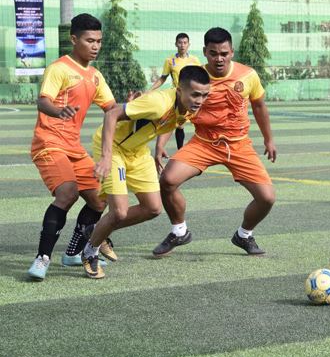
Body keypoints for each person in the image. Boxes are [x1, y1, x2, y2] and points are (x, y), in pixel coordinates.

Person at [152, 27, 276, 257]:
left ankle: (244, 235)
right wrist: (160, 145)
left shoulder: (248, 75)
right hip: (203, 143)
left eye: (224, 53)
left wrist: (269, 139)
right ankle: (179, 231)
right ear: (205, 52)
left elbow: (259, 106)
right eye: (213, 53)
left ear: (231, 52)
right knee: (167, 180)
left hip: (239, 145)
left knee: (267, 198)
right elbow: (175, 110)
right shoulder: (194, 76)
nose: (219, 58)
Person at [80, 65, 210, 278]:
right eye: (195, 94)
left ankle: (98, 230)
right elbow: (111, 114)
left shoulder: (189, 108)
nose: (200, 100)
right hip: (114, 147)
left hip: (138, 151)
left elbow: (173, 123)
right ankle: (90, 251)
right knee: (119, 212)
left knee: (153, 208)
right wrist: (104, 157)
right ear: (179, 90)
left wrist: (159, 148)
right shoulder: (158, 103)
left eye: (205, 95)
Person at [28, 13, 118, 280]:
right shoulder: (60, 68)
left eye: (99, 41)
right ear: (74, 39)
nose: (96, 46)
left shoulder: (95, 76)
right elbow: (43, 101)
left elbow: (111, 107)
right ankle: (42, 258)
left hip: (73, 147)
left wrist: (133, 106)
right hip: (49, 141)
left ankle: (73, 253)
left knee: (99, 198)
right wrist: (58, 111)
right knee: (67, 193)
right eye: (90, 40)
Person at [150, 33, 201, 150]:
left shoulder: (195, 60)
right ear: (176, 44)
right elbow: (163, 78)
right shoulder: (170, 61)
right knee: (179, 125)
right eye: (180, 42)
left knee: (200, 121)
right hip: (178, 97)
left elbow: (200, 77)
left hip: (193, 96)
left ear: (189, 44)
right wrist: (150, 90)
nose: (182, 45)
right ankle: (180, 151)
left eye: (185, 43)